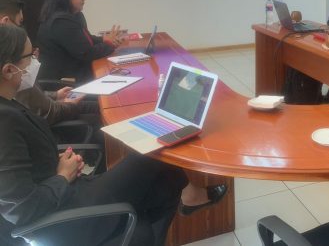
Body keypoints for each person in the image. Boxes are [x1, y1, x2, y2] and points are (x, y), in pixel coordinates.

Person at [0, 25, 226, 246]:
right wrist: (61, 177)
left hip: (64, 196)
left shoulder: (9, 104)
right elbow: (20, 209)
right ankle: (182, 202)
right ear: (9, 70)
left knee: (165, 181)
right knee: (154, 155)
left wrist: (58, 166)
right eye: (30, 56)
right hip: (61, 223)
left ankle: (176, 208)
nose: (35, 61)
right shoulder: (4, 120)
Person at [0, 0, 92, 126]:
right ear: (5, 22)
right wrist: (69, 104)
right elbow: (47, 112)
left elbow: (33, 101)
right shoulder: (12, 64)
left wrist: (55, 95)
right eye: (20, 23)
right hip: (50, 126)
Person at [37, 0, 122, 83]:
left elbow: (85, 40)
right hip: (64, 85)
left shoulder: (75, 16)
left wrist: (104, 39)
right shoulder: (60, 22)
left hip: (78, 76)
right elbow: (87, 53)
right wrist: (110, 45)